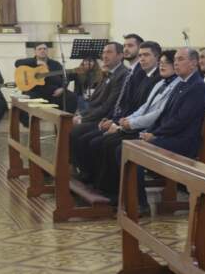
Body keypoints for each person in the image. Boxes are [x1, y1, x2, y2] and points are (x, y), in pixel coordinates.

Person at [95, 49, 181, 199]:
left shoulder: (177, 85)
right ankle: (112, 189)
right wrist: (127, 119)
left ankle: (134, 198)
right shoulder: (160, 83)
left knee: (116, 146)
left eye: (167, 63)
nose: (162, 66)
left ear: (176, 65)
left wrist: (131, 123)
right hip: (140, 125)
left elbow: (158, 113)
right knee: (106, 140)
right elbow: (145, 107)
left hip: (152, 130)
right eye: (161, 63)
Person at [73, 41, 162, 183]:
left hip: (140, 127)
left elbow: (143, 110)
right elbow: (105, 102)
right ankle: (92, 178)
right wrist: (113, 120)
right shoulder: (139, 76)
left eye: (146, 55)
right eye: (141, 55)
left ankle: (108, 186)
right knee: (90, 138)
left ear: (157, 57)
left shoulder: (147, 77)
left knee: (99, 142)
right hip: (124, 120)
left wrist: (119, 123)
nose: (142, 59)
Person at [137, 48, 205, 209]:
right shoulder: (181, 83)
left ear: (193, 63)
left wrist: (155, 134)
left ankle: (140, 203)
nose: (176, 63)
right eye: (175, 59)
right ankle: (130, 198)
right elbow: (164, 114)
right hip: (169, 136)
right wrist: (149, 132)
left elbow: (181, 120)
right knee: (128, 148)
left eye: (180, 59)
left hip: (183, 141)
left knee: (137, 152)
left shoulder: (197, 86)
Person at [68, 42, 129, 168]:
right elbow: (94, 101)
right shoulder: (108, 73)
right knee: (68, 127)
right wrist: (81, 115)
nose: (104, 56)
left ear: (120, 55)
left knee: (77, 131)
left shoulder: (122, 74)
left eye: (109, 52)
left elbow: (108, 106)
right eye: (104, 52)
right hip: (96, 115)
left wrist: (83, 119)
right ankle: (73, 166)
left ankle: (83, 169)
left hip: (105, 118)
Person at [14, 43, 77, 114]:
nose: (42, 50)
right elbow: (17, 63)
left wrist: (62, 88)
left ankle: (66, 119)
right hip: (35, 91)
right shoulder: (30, 62)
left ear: (47, 51)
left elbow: (66, 77)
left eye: (45, 49)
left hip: (53, 92)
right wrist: (36, 62)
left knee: (72, 97)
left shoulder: (55, 64)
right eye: (39, 49)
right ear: (35, 51)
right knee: (28, 102)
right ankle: (31, 120)